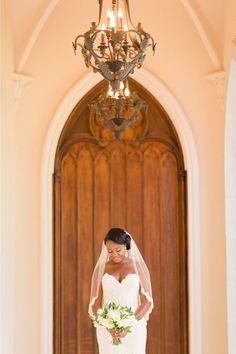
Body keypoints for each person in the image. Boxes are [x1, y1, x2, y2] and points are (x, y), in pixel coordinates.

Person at [88, 228, 153, 354]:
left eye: (118, 250)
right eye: (110, 251)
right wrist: (108, 325)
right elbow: (95, 304)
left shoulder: (137, 267)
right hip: (108, 332)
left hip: (134, 328)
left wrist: (129, 324)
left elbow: (147, 302)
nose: (114, 254)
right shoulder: (101, 269)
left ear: (126, 246)